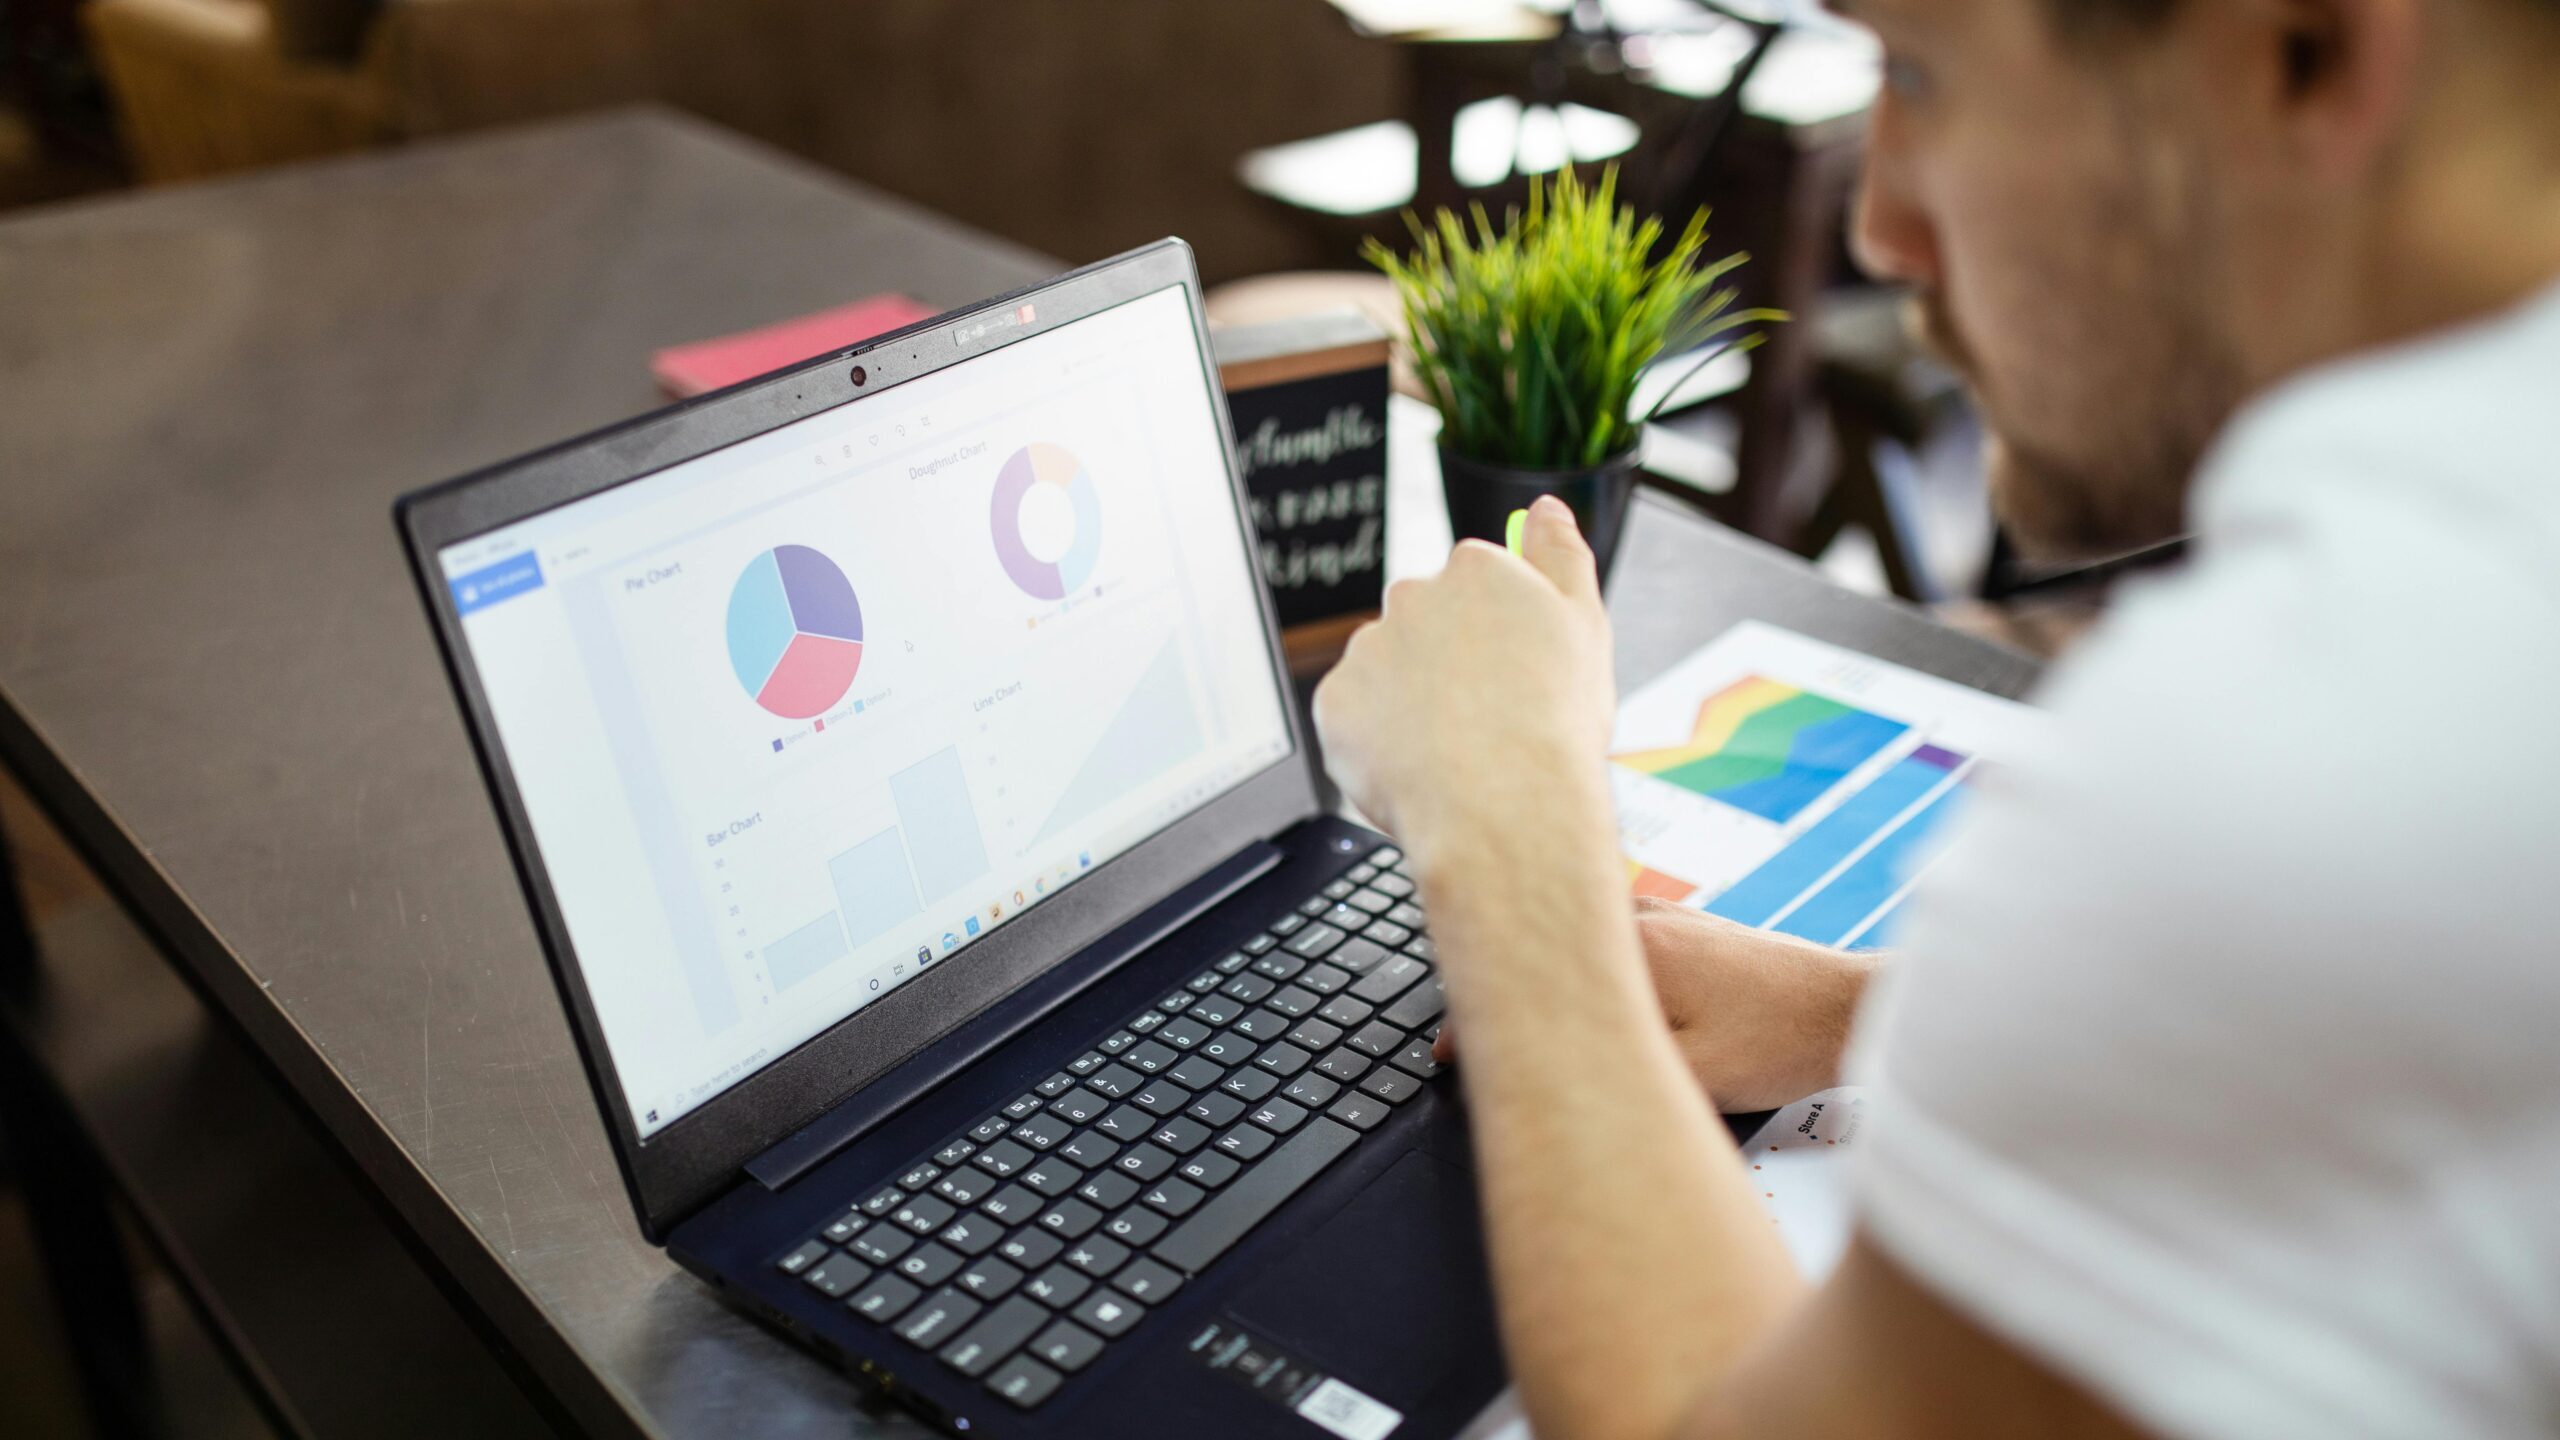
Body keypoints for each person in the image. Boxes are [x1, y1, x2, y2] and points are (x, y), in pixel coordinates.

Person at [1311, 0, 2560, 1437]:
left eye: (1917, 70)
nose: (1881, 227)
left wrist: (1510, 822)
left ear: (2307, 47)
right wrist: (1866, 1016)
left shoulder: (2295, 744)